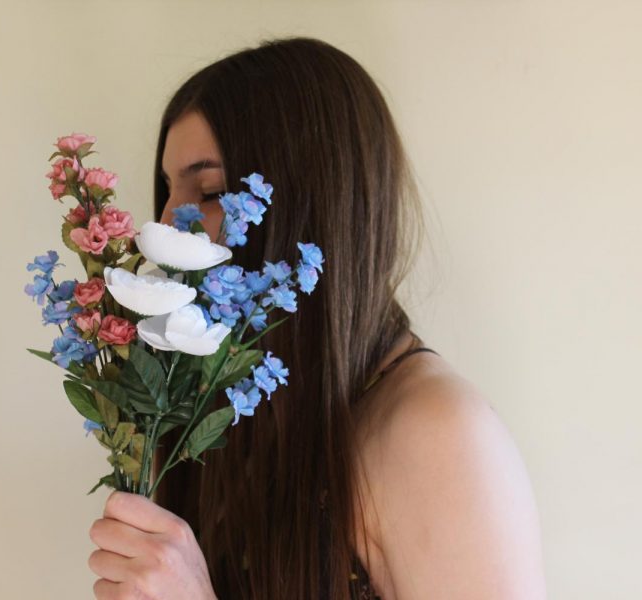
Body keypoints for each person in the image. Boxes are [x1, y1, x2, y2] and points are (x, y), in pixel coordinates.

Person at [87, 36, 546, 599]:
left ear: (308, 206)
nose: (163, 225)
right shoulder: (228, 410)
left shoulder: (437, 435)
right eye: (166, 189)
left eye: (209, 190)